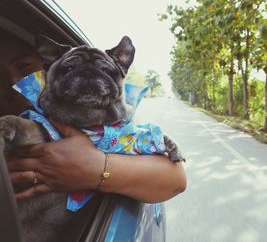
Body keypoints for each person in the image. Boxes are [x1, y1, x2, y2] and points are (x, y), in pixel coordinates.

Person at [0, 29, 186, 203]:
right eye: (69, 70)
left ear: (45, 64)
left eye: (24, 67)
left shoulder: (122, 124)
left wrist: (96, 169)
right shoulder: (27, 121)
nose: (12, 80)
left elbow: (176, 178)